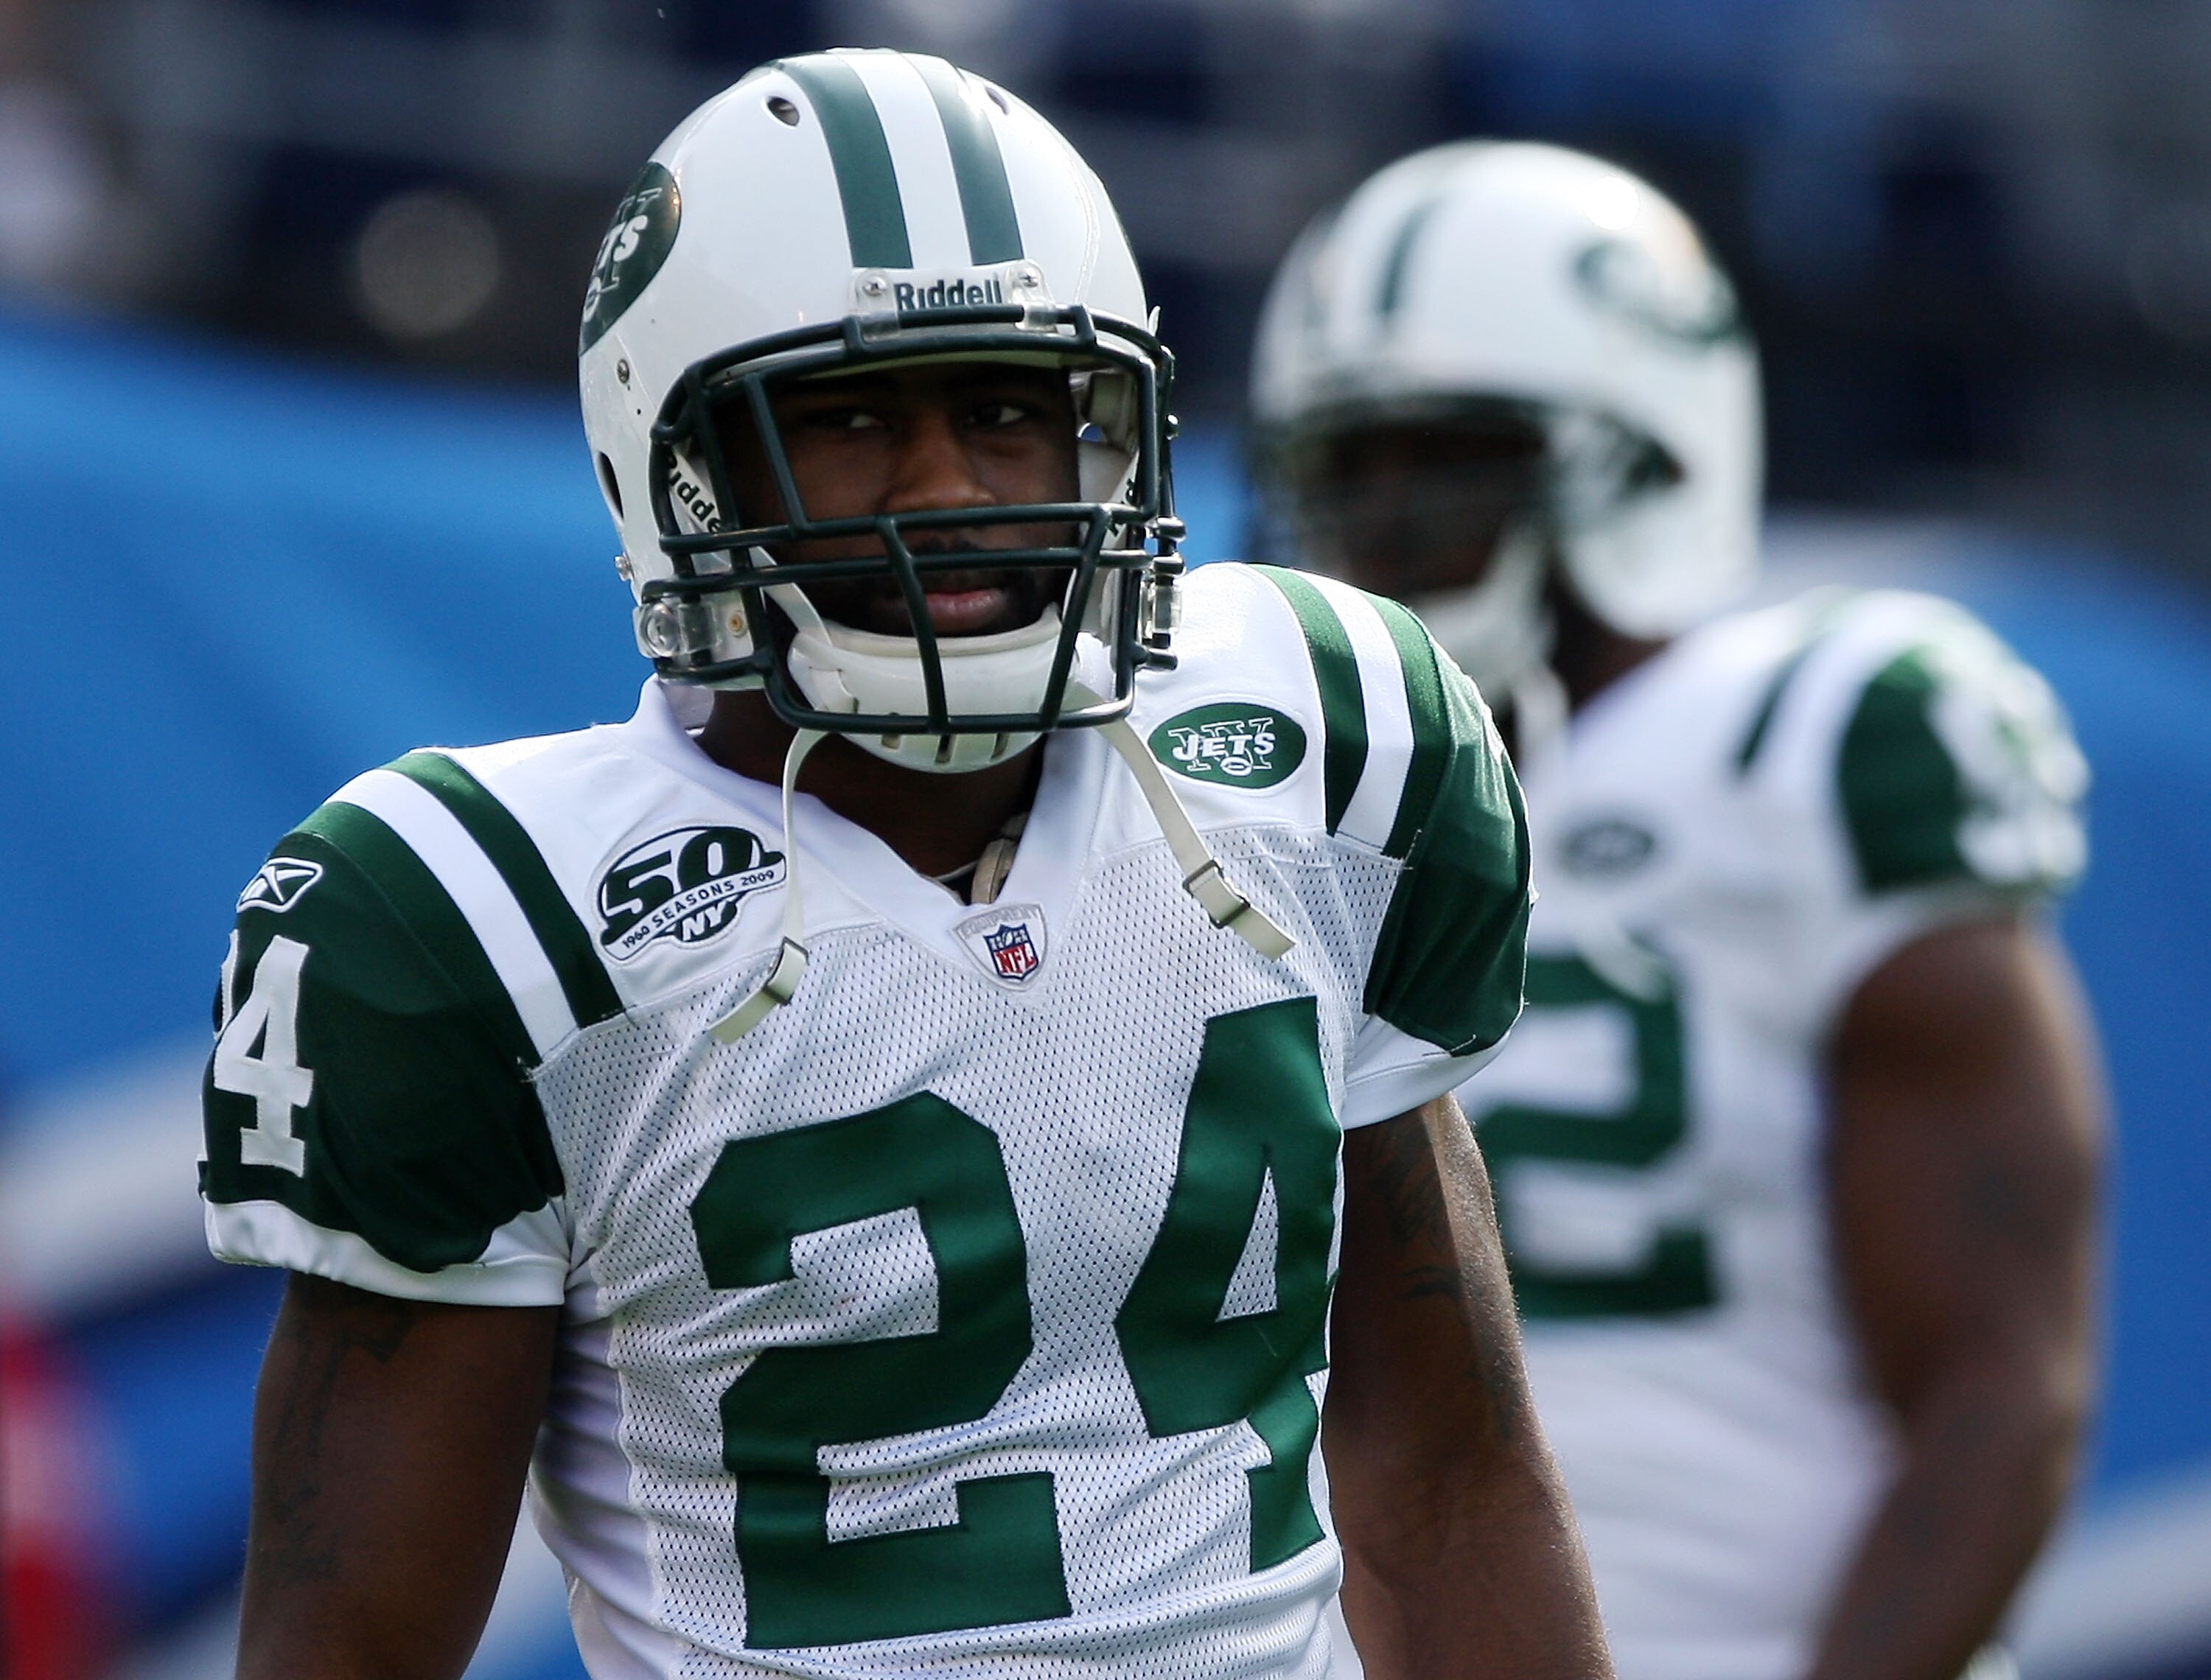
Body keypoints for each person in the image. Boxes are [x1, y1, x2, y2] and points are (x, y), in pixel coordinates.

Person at [198, 54, 1614, 1680]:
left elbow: (1448, 1485)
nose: (946, 490)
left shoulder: (1320, 738)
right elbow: (351, 1643)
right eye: (848, 418)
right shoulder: (483, 914)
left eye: (1006, 410)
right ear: (676, 464)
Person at [1248, 142, 2103, 1680]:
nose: (1386, 519)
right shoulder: (1267, 805)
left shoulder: (1813, 742)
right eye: (1347, 469)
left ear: (1648, 459)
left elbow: (2003, 1380)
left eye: (1451, 460)